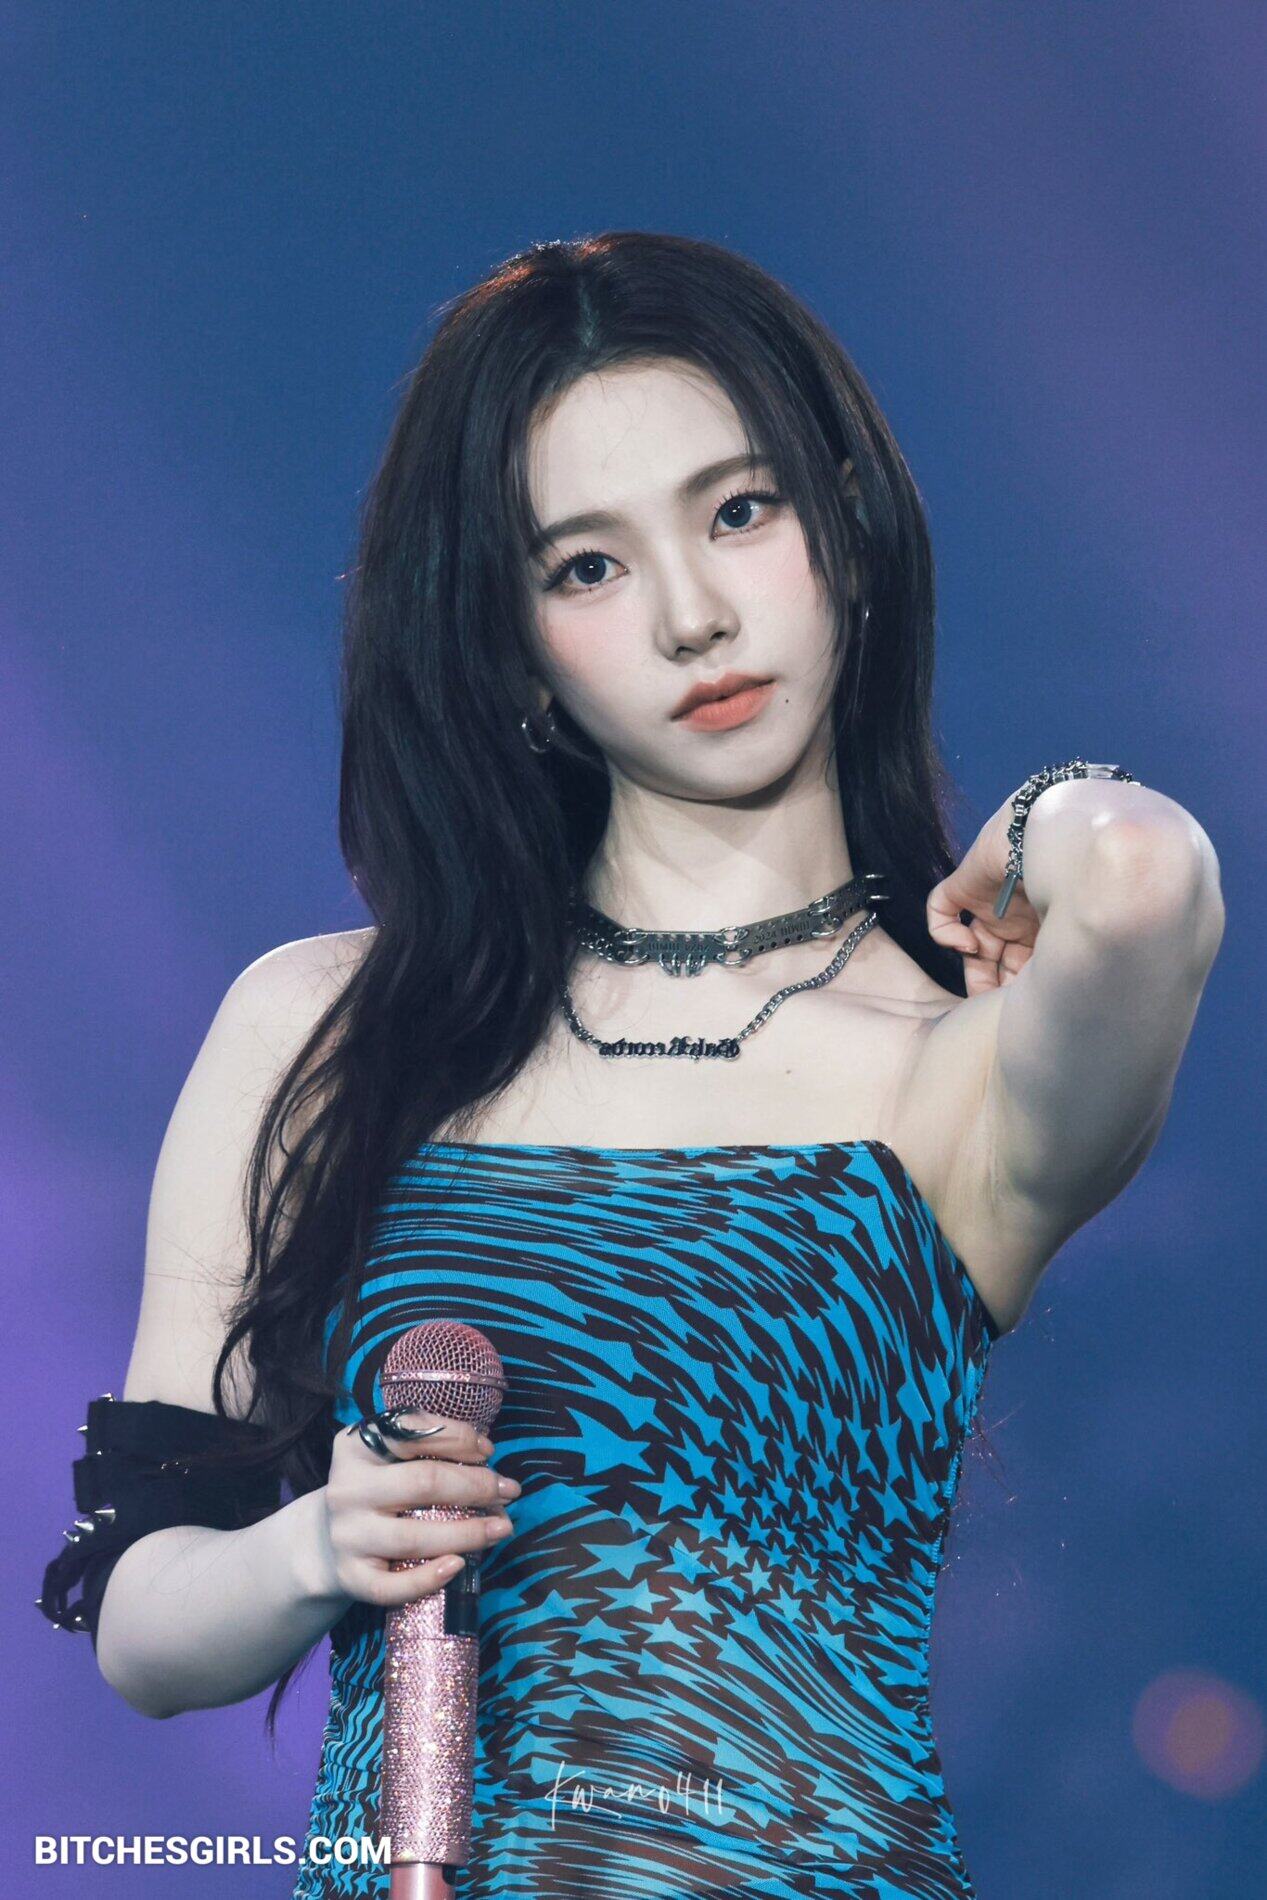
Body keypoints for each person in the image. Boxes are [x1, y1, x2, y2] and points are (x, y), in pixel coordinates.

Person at [39, 232, 1224, 1898]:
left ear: (848, 529)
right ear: (513, 643)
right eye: (587, 567)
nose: (692, 616)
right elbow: (141, 1623)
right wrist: (318, 1544)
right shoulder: (327, 1028)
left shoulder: (949, 1063)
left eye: (740, 512)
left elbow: (1149, 879)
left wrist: (1021, 829)